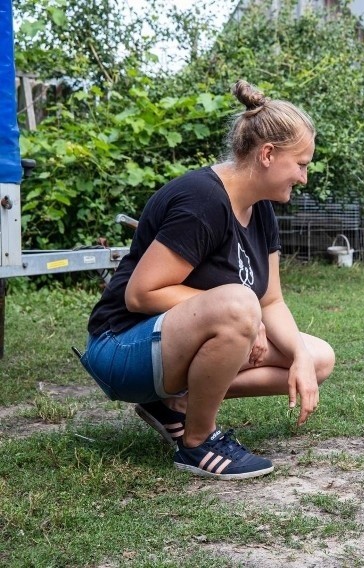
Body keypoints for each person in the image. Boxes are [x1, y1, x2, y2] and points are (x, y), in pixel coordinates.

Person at [80, 80, 335, 480]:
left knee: (318, 357)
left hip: (169, 348)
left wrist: (297, 355)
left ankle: (176, 406)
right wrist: (241, 317)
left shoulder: (261, 209)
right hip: (120, 347)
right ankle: (197, 444)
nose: (304, 177)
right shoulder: (203, 200)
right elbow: (141, 293)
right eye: (301, 164)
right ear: (268, 154)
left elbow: (271, 301)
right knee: (237, 304)